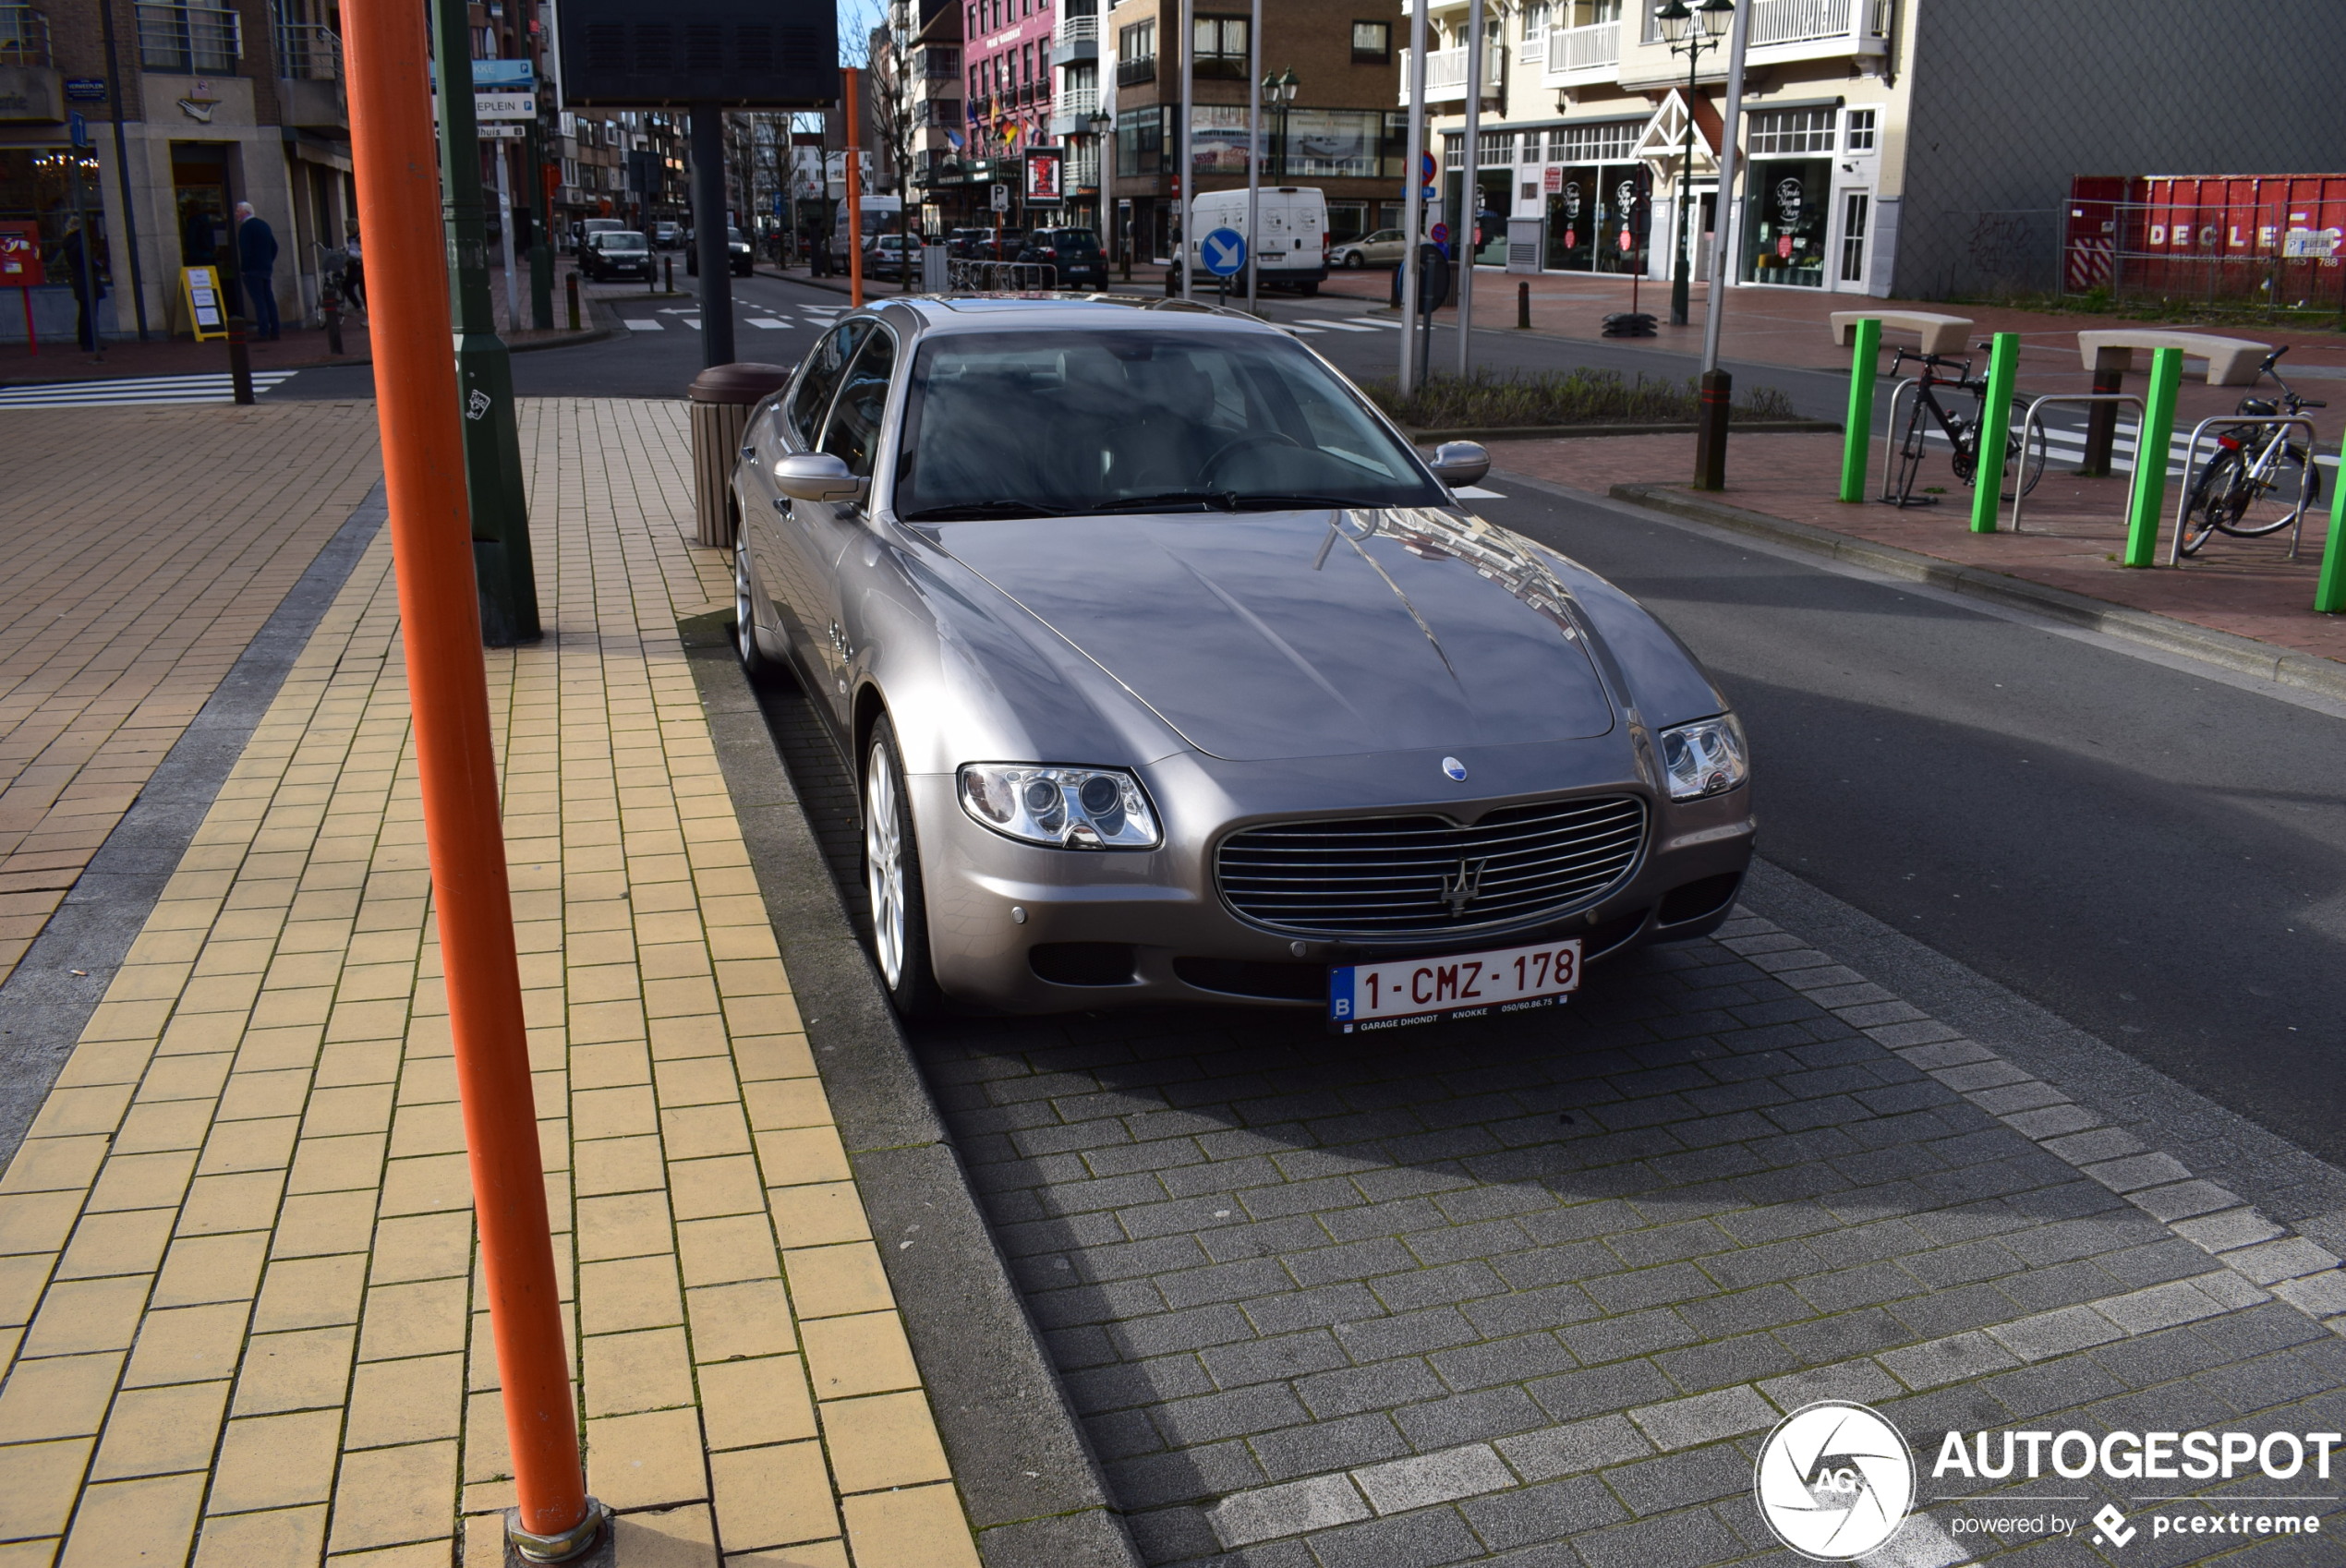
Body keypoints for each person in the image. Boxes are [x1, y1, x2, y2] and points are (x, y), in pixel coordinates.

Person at [235, 200, 281, 340]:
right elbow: (274, 247)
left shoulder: (246, 228)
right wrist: (268, 262)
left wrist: (245, 268)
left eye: (238, 211)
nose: (236, 213)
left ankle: (263, 331)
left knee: (259, 301)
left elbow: (245, 250)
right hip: (265, 268)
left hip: (252, 270)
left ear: (245, 212)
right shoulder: (263, 225)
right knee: (269, 299)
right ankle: (275, 330)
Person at [60, 216, 105, 356]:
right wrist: (97, 266)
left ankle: (85, 340)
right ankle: (90, 341)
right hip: (87, 279)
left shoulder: (69, 243)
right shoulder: (81, 242)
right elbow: (88, 262)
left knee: (84, 311)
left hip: (79, 280)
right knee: (90, 312)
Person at [343, 228, 365, 313]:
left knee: (348, 286)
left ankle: (360, 308)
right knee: (361, 290)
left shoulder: (358, 237)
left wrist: (350, 253)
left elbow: (363, 252)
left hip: (357, 266)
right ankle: (361, 309)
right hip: (354, 266)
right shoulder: (351, 238)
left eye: (348, 227)